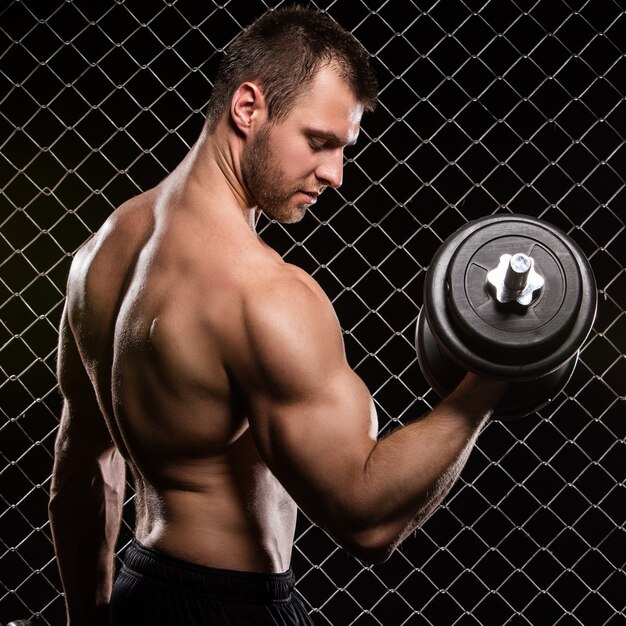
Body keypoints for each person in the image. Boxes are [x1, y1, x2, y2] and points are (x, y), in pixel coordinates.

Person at [49, 6, 507, 626]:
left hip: (140, 591)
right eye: (319, 142)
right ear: (248, 107)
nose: (334, 174)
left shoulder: (99, 255)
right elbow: (366, 520)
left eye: (343, 149)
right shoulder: (262, 294)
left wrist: (89, 618)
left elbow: (83, 470)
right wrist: (487, 382)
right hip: (232, 607)